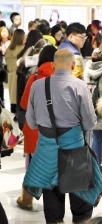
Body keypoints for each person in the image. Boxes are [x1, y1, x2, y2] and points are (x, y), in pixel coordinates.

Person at [22, 48, 102, 224]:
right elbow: (89, 124)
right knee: (81, 211)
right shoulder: (80, 86)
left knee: (53, 212)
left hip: (46, 156)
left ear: (52, 65)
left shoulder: (37, 85)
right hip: (76, 155)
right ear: (73, 65)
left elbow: (32, 122)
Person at [16, 45, 57, 210]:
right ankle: (53, 206)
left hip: (35, 130)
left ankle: (27, 199)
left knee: (32, 165)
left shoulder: (34, 78)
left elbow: (24, 103)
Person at [5, 29, 25, 114]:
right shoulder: (23, 49)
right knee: (20, 95)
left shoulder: (9, 49)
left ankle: (13, 113)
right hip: (20, 75)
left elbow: (6, 62)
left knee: (12, 97)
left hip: (10, 74)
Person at [0, 26, 11, 102]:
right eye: (2, 31)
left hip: (8, 64)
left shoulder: (10, 43)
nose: (4, 33)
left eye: (6, 31)